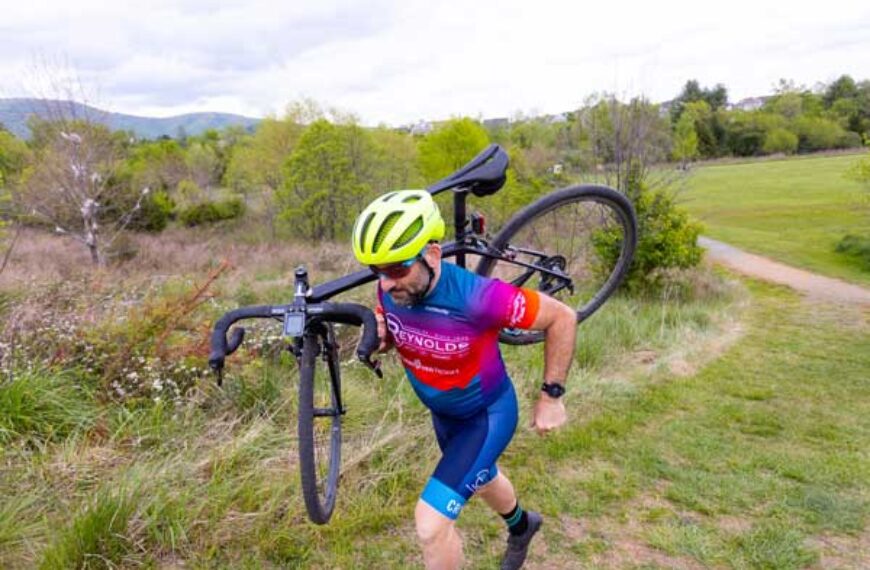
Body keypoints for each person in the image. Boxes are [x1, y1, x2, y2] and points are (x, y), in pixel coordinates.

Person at [352, 190, 577, 570]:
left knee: (430, 524)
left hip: (485, 417)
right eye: (377, 271)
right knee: (485, 477)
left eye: (396, 269)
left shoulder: (479, 297)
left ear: (433, 254)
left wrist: (551, 396)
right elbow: (403, 328)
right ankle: (523, 526)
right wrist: (384, 337)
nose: (386, 283)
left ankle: (517, 527)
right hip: (444, 416)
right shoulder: (394, 289)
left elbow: (563, 317)